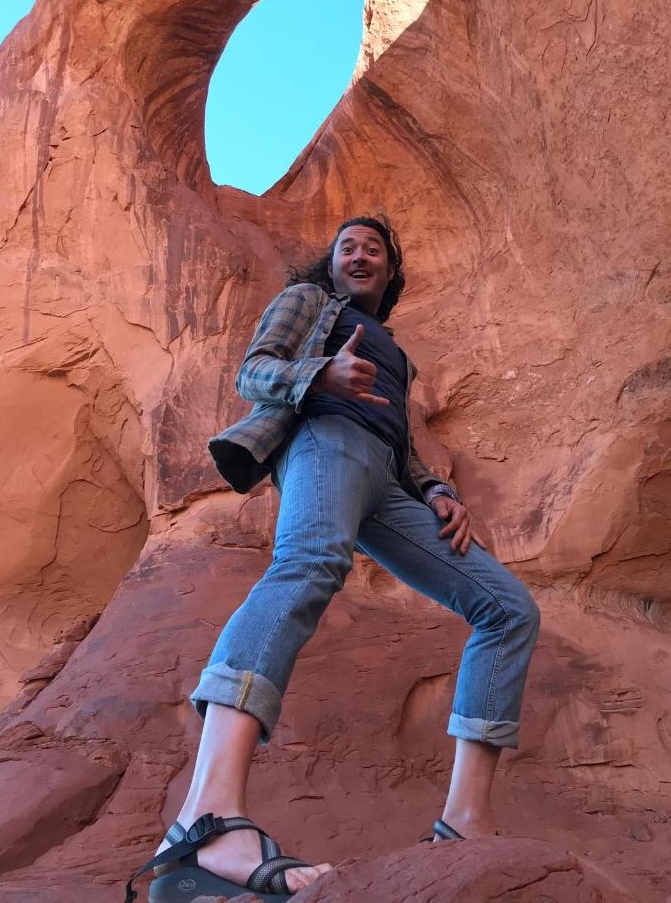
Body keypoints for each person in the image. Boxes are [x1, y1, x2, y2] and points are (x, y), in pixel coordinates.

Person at [125, 215, 540, 903]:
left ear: (389, 269)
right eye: (347, 245)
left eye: (373, 247)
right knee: (310, 564)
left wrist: (436, 489)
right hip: (324, 441)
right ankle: (206, 818)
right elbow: (252, 372)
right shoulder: (308, 302)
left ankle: (464, 821)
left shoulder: (395, 354)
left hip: (384, 476)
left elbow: (400, 443)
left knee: (507, 610)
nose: (359, 253)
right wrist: (324, 371)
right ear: (333, 261)